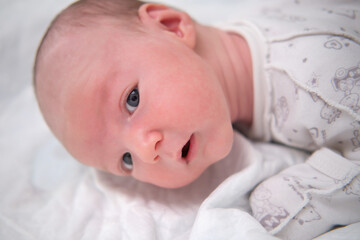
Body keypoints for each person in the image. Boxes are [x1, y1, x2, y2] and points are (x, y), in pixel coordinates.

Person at [33, 0, 360, 238]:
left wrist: (288, 200)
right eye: (127, 160)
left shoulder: (317, 84)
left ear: (171, 27)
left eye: (132, 100)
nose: (146, 151)